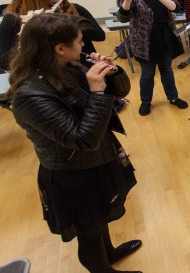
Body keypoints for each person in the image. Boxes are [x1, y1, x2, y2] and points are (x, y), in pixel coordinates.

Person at [9, 14, 142, 273]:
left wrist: (111, 72)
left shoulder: (68, 66)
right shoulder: (29, 94)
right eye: (80, 42)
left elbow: (121, 92)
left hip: (96, 162)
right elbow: (84, 140)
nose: (84, 47)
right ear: (59, 48)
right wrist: (97, 91)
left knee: (100, 217)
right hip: (72, 174)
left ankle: (110, 253)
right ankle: (103, 269)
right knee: (89, 231)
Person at [0, 0, 105, 71]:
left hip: (84, 70)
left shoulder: (72, 9)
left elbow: (99, 35)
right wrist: (25, 38)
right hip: (44, 78)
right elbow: (4, 62)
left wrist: (66, 22)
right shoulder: (13, 20)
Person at [117, 0, 188, 116]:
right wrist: (128, 0)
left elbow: (174, 7)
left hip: (164, 37)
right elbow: (122, 18)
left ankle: (173, 97)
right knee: (148, 74)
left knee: (166, 70)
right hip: (144, 41)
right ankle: (146, 102)